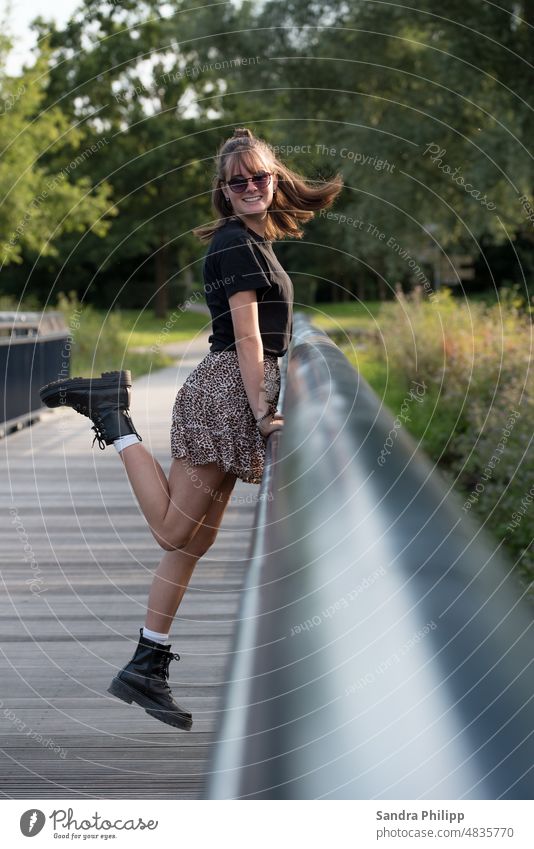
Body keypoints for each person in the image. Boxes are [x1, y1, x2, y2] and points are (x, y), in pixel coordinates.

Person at [39, 127, 343, 730]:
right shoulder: (237, 246)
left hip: (234, 394)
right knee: (175, 530)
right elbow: (251, 338)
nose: (252, 187)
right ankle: (112, 417)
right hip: (227, 396)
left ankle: (147, 663)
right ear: (225, 193)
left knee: (192, 543)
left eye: (259, 177)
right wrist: (263, 412)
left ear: (274, 180)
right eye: (239, 181)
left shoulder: (255, 242)